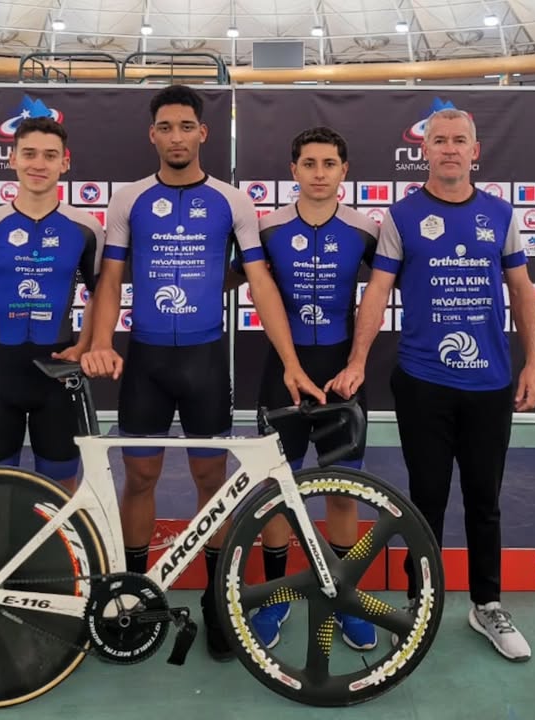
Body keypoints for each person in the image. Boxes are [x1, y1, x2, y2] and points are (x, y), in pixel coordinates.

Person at [80, 85, 325, 661]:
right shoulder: (129, 199)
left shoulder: (232, 202)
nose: (176, 137)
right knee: (139, 478)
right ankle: (134, 596)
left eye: (186, 126)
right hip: (146, 361)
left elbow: (259, 281)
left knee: (211, 482)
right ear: (152, 135)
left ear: (202, 133)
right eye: (166, 127)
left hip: (205, 361)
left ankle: (218, 600)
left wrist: (291, 363)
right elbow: (110, 279)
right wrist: (101, 342)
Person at [330, 108, 535, 662]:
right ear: (424, 151)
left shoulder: (500, 214)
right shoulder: (401, 216)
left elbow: (521, 291)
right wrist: (358, 360)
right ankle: (417, 601)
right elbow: (378, 292)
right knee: (425, 498)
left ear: (475, 151)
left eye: (459, 140)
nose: (449, 148)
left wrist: (534, 364)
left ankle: (486, 604)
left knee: (484, 500)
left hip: (490, 383)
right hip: (424, 382)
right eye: (439, 140)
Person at [229, 127, 380, 650]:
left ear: (344, 170)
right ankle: (275, 596)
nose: (319, 173)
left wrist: (358, 362)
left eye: (329, 164)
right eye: (309, 164)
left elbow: (388, 286)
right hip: (283, 374)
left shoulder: (365, 229)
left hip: (342, 377)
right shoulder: (267, 228)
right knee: (278, 492)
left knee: (343, 489)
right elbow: (228, 278)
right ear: (293, 170)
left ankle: (341, 596)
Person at [0, 117, 104, 494]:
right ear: (12, 159)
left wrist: (83, 346)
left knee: (60, 489)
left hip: (59, 374)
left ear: (64, 162)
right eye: (29, 154)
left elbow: (102, 294)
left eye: (50, 155)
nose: (38, 164)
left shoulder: (86, 228)